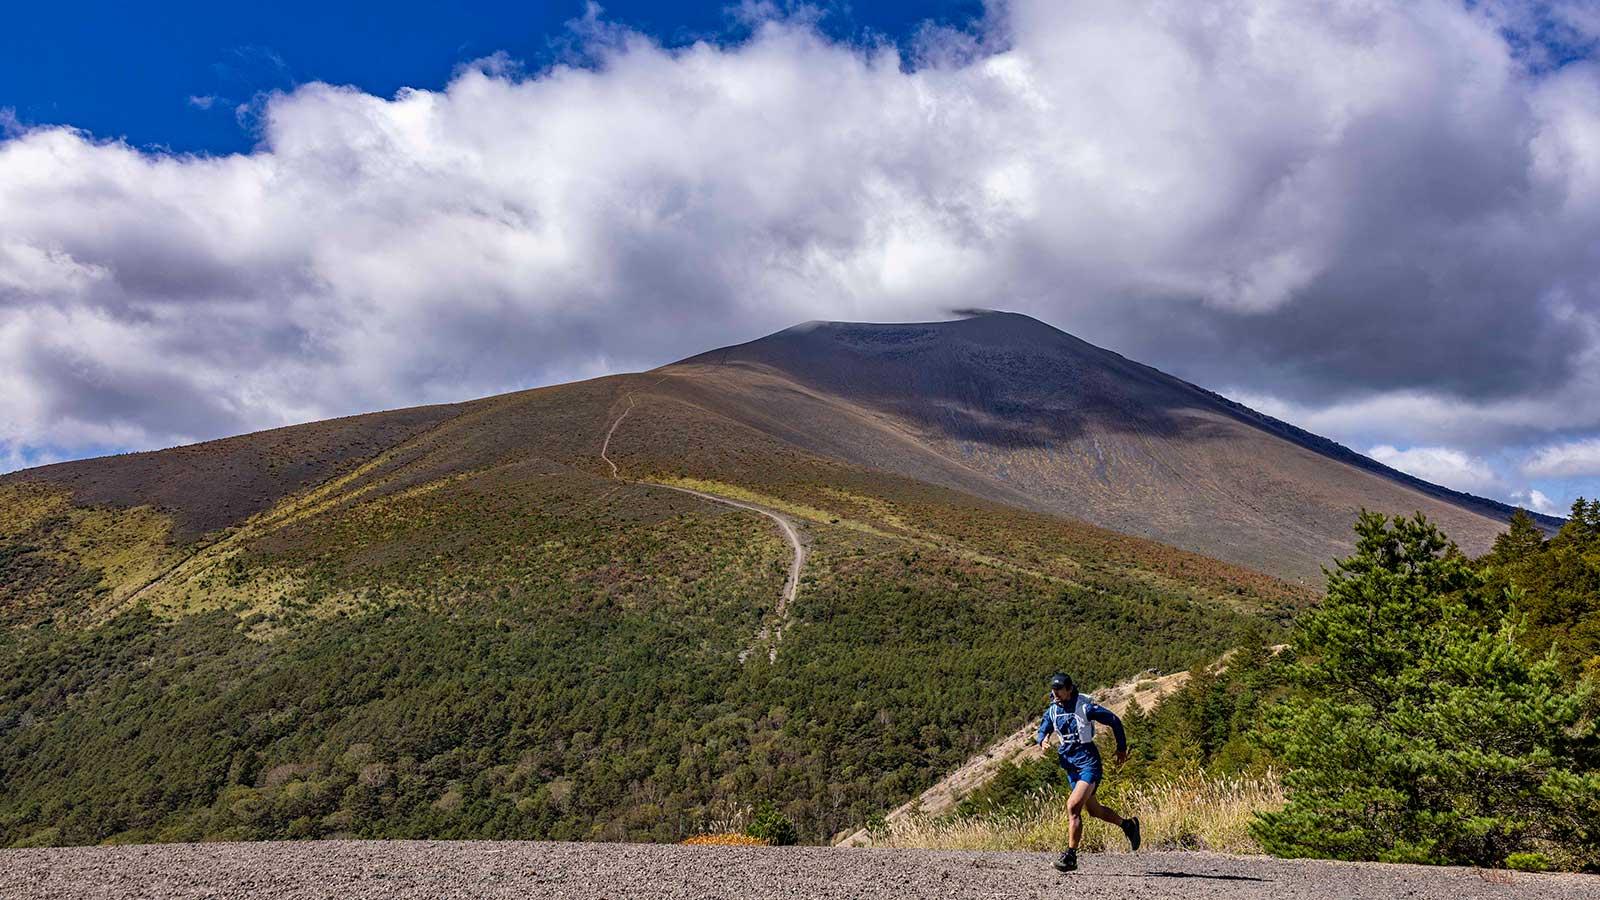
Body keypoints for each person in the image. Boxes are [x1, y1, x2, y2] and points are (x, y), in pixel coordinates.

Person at [1035, 672, 1140, 872]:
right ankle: (1128, 826)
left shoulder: (1085, 706)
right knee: (1094, 810)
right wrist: (1043, 740)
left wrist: (1121, 748)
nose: (1055, 693)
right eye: (1053, 690)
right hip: (1069, 764)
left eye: (1059, 690)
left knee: (1073, 806)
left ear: (1070, 689)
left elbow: (1114, 720)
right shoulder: (1053, 710)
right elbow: (1043, 729)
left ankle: (1070, 856)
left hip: (1088, 762)